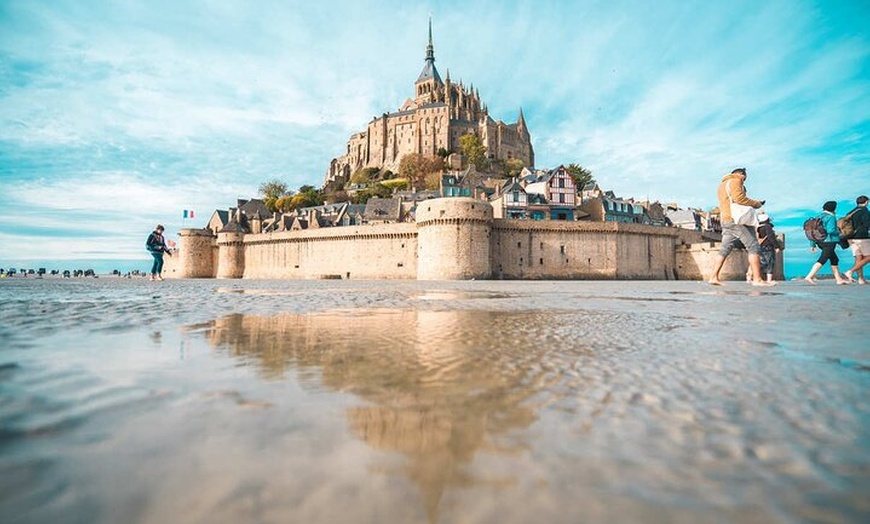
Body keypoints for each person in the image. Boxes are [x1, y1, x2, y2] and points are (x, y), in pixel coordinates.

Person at [708, 167, 772, 286]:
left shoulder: (722, 185)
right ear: (742, 175)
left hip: (725, 220)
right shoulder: (736, 181)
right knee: (753, 246)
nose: (745, 179)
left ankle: (713, 277)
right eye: (745, 177)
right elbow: (739, 199)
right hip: (736, 220)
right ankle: (757, 279)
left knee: (725, 248)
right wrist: (756, 204)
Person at [804, 201, 848, 284]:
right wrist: (840, 232)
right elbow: (831, 230)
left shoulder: (818, 217)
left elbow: (812, 231)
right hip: (829, 241)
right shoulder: (831, 217)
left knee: (834, 259)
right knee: (823, 259)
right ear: (833, 208)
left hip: (819, 241)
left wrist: (812, 245)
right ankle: (809, 276)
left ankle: (839, 279)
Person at [843, 195, 869, 285]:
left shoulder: (852, 211)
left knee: (859, 258)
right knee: (868, 257)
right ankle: (850, 271)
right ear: (866, 202)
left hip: (850, 238)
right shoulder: (864, 211)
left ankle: (861, 279)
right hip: (862, 237)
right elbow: (867, 224)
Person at [755, 211, 779, 283]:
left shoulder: (758, 228)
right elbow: (771, 237)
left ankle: (753, 275)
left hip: (760, 247)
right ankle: (769, 280)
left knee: (762, 263)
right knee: (770, 263)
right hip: (768, 247)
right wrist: (777, 246)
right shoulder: (768, 227)